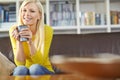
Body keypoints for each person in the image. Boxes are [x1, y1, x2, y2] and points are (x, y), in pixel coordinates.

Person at [9, 0, 54, 75]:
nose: (26, 14)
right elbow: (20, 64)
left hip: (43, 70)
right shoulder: (14, 30)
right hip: (25, 70)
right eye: (24, 10)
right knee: (20, 70)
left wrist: (30, 42)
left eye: (32, 11)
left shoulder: (47, 31)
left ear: (39, 15)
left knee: (34, 68)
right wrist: (19, 41)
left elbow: (39, 62)